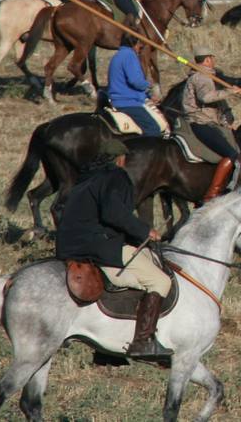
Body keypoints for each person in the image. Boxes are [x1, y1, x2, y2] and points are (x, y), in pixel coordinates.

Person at [55, 138, 173, 360]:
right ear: (121, 158)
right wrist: (144, 231)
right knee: (160, 281)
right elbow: (114, 214)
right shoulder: (116, 176)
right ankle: (143, 341)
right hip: (97, 245)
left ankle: (107, 348)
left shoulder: (84, 179)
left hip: (69, 246)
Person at [178, 45, 241, 201]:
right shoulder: (202, 77)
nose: (214, 61)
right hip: (200, 123)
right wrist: (230, 91)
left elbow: (215, 105)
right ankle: (212, 193)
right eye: (212, 58)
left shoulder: (206, 76)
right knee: (232, 154)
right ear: (207, 60)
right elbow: (206, 98)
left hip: (209, 121)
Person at [106, 34, 164, 138]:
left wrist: (148, 97)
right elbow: (136, 81)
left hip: (120, 100)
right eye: (140, 46)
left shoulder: (118, 55)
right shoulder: (129, 55)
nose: (140, 50)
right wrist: (149, 85)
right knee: (153, 129)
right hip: (128, 103)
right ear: (134, 44)